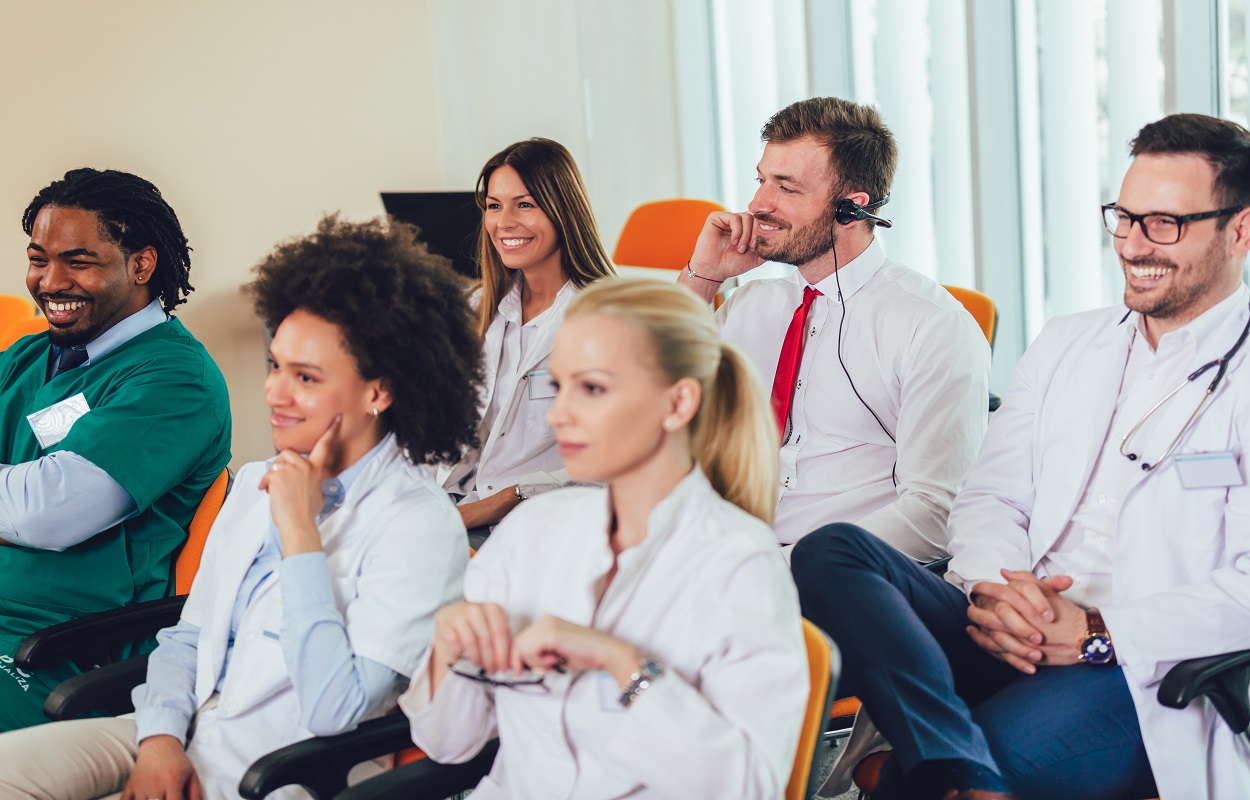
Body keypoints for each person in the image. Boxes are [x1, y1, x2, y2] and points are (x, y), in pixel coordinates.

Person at [792, 113, 1250, 800]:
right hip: (1004, 623)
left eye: (1164, 224)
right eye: (1123, 218)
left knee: (916, 785)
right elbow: (989, 496)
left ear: (1239, 229)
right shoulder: (1069, 342)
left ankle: (949, 769)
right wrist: (993, 591)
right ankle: (959, 769)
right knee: (831, 552)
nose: (1132, 244)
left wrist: (1095, 631)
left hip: (1128, 665)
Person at [0, 216, 482, 799]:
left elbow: (336, 709)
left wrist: (301, 535)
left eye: (305, 377)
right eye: (276, 366)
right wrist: (159, 742)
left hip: (271, 771)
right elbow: (186, 637)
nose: (274, 393)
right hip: (172, 732)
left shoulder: (418, 525)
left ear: (379, 390)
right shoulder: (260, 479)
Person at [401, 278, 809, 799]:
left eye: (591, 388)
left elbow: (751, 789)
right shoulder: (532, 532)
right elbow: (446, 743)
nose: (557, 415)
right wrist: (451, 649)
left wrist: (621, 664)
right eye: (558, 386)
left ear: (679, 402)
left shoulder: (738, 563)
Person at [677, 97, 990, 558]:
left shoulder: (931, 326)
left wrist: (788, 565)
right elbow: (640, 391)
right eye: (761, 179)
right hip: (715, 550)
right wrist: (704, 274)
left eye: (786, 187)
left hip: (831, 576)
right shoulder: (749, 305)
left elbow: (934, 513)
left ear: (851, 208)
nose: (757, 204)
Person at [0, 168, 232, 732]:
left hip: (56, 649)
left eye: (79, 262)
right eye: (38, 259)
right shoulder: (27, 357)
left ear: (141, 265)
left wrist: (28, 495)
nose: (50, 282)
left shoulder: (176, 378)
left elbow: (48, 512)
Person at [439, 138, 616, 546]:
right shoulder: (477, 307)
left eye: (525, 204)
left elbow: (619, 454)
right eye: (494, 206)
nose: (504, 222)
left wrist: (507, 498)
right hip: (456, 504)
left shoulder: (603, 316)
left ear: (562, 210)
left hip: (538, 521)